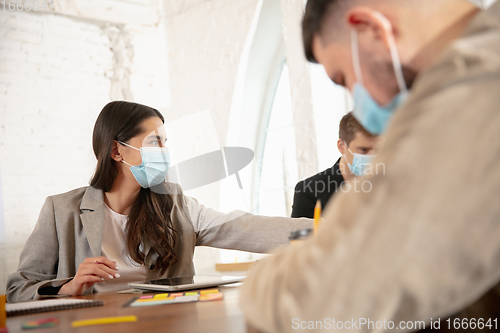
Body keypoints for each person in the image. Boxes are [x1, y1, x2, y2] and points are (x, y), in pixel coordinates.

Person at [240, 0, 500, 331]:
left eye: (345, 78)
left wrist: (261, 287)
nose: (360, 108)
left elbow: (311, 300)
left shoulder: (470, 89)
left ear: (370, 27)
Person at [6, 101, 312, 303]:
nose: (165, 151)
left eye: (166, 142)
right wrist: (66, 287)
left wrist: (333, 229)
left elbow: (246, 228)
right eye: (155, 142)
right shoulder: (61, 211)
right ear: (117, 151)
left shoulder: (175, 204)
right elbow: (18, 288)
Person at [291, 112, 377, 218]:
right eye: (363, 150)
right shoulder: (309, 191)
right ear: (342, 147)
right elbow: (303, 234)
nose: (373, 156)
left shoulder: (390, 185)